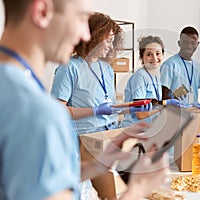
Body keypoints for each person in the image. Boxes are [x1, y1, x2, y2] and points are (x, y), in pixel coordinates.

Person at [0, 1, 168, 199]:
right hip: (84, 136)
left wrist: (98, 164)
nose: (85, 35)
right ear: (42, 12)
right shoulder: (39, 112)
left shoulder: (12, 86)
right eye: (80, 18)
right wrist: (138, 190)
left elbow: (27, 179)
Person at [50, 12, 151, 199]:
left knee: (112, 193)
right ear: (94, 36)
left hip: (106, 138)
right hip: (82, 140)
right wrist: (94, 111)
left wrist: (131, 107)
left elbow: (109, 107)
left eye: (113, 41)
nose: (111, 46)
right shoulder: (69, 67)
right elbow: (57, 110)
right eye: (108, 40)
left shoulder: (106, 68)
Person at [121, 35, 185, 127]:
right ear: (142, 57)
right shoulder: (139, 77)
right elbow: (140, 114)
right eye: (149, 54)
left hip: (150, 129)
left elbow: (157, 102)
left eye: (158, 53)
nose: (154, 58)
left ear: (163, 54)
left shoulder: (156, 76)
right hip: (134, 130)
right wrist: (164, 106)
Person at [160, 26, 200, 108]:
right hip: (174, 113)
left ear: (197, 44)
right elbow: (163, 97)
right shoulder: (170, 65)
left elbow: (194, 90)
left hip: (192, 112)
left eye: (193, 43)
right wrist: (174, 100)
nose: (189, 46)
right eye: (185, 42)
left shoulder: (198, 67)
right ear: (179, 43)